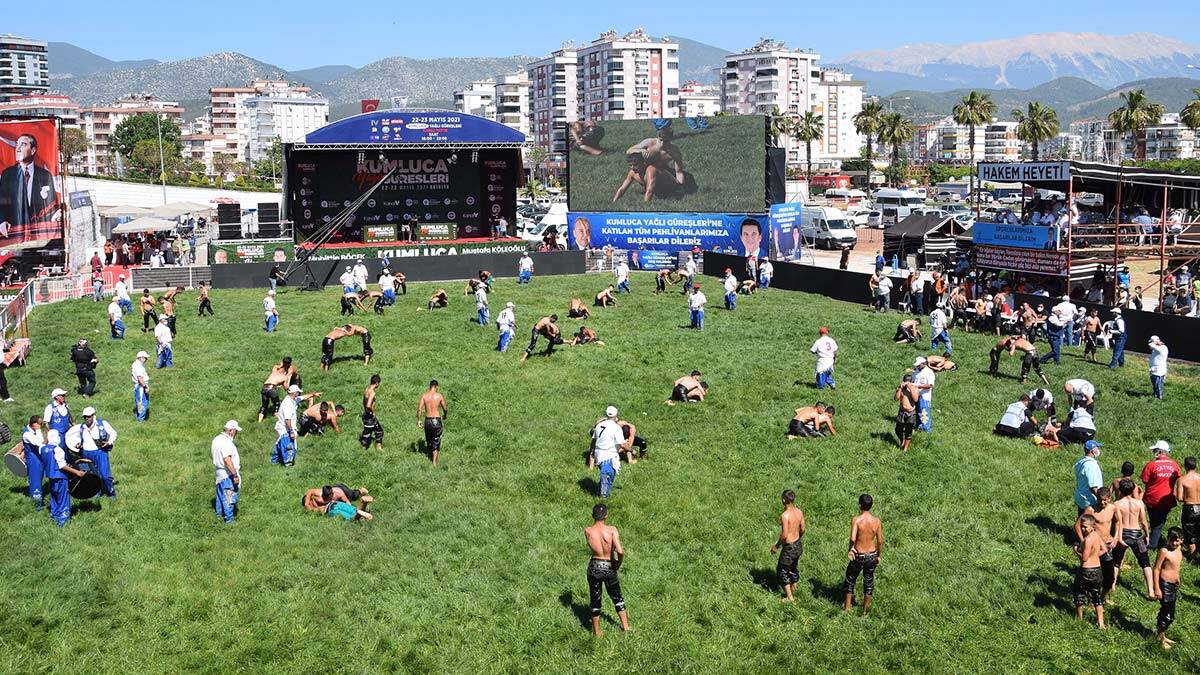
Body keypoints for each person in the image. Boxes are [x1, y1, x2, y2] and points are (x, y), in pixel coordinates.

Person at [0, 133, 58, 243]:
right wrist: (1, 221)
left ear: (33, 150)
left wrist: (55, 215)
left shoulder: (45, 175)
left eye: (23, 144)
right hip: (13, 235)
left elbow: (52, 204)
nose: (17, 148)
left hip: (40, 237)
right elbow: (1, 202)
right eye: (17, 145)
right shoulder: (7, 174)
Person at [583, 503, 629, 636]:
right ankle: (626, 627)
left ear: (593, 516)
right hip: (609, 566)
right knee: (617, 597)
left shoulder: (587, 531)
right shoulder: (612, 530)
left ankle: (597, 632)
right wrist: (617, 564)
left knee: (595, 599)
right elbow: (620, 551)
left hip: (594, 566)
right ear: (606, 516)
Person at [1111, 478, 1155, 598]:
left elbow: (1118, 522)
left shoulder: (1117, 504)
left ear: (1120, 490)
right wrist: (1147, 535)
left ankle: (1112, 585)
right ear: (1132, 490)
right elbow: (1144, 522)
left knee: (1116, 562)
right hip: (1136, 534)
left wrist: (1117, 538)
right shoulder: (1139, 503)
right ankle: (1150, 591)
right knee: (1145, 563)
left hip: (1123, 533)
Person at [1075, 487, 1118, 603]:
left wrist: (1116, 537)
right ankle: (1091, 600)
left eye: (1105, 500)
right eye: (1099, 499)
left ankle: (1102, 597)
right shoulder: (1090, 510)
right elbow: (1077, 525)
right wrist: (1084, 541)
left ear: (1109, 498)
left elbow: (1118, 521)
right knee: (1092, 577)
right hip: (1094, 547)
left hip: (1107, 545)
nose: (1102, 502)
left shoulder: (1113, 508)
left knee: (1109, 578)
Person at [64, 406, 118, 499]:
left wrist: (109, 442)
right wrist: (78, 445)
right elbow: (75, 439)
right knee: (91, 475)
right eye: (85, 417)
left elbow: (113, 433)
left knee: (105, 475)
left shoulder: (102, 423)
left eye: (89, 416)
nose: (87, 418)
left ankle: (111, 492)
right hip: (86, 454)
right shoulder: (81, 427)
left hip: (100, 452)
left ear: (93, 415)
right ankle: (96, 491)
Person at [844, 494, 884, 615]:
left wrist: (851, 549)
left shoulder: (856, 520)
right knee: (868, 582)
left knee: (850, 579)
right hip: (871, 555)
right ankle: (865, 612)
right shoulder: (876, 521)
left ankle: (847, 608)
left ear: (860, 505)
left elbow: (852, 538)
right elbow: (880, 541)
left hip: (859, 555)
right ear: (871, 506)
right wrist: (878, 555)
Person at [1141, 440, 1181, 550]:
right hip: (1168, 499)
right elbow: (1178, 478)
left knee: (1156, 523)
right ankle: (1155, 538)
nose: (1153, 452)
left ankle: (1152, 545)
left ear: (1159, 451)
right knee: (1159, 522)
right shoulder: (1174, 465)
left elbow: (1145, 480)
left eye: (1154, 450)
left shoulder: (1151, 465)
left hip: (1152, 499)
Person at [42, 430, 85, 527]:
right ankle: (63, 520)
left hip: (51, 476)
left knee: (54, 497)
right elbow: (62, 466)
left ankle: (54, 516)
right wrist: (77, 472)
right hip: (60, 477)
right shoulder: (58, 450)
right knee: (63, 498)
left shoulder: (43, 449)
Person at [770, 489, 807, 602]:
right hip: (798, 544)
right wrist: (797, 537)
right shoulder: (799, 512)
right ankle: (794, 588)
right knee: (793, 567)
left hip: (789, 547)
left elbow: (784, 534)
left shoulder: (785, 515)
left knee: (782, 570)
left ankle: (790, 597)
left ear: (783, 500)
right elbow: (803, 528)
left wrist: (776, 546)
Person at [1073, 514, 1106, 629]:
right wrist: (1095, 555)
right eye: (1082, 526)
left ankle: (1079, 618)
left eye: (1085, 527)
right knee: (1097, 595)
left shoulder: (1087, 540)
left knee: (1079, 593)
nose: (1082, 529)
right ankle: (1101, 623)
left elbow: (1084, 558)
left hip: (1086, 570)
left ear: (1093, 527)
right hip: (1097, 569)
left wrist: (1076, 551)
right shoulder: (1097, 535)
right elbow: (1104, 549)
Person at [1153, 528, 1183, 649]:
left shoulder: (1179, 549)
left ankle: (1162, 636)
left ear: (1182, 540)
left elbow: (1177, 566)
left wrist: (1178, 578)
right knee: (1166, 613)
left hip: (1173, 585)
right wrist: (1156, 588)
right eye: (1172, 540)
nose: (1174, 543)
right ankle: (1159, 638)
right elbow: (1156, 569)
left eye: (1177, 541)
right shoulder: (1164, 551)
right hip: (1164, 584)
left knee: (1171, 613)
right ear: (1168, 539)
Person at [273, 385, 317, 466]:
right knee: (289, 448)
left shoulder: (292, 399)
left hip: (284, 428)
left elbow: (302, 397)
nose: (299, 393)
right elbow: (287, 420)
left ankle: (274, 461)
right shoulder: (288, 405)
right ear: (295, 393)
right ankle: (288, 465)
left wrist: (313, 394)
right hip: (285, 429)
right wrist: (291, 432)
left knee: (280, 445)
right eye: (298, 392)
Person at [212, 420, 242, 524]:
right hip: (227, 475)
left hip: (219, 474)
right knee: (229, 499)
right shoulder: (226, 442)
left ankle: (218, 516)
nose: (236, 433)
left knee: (220, 496)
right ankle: (229, 521)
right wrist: (234, 474)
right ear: (230, 431)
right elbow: (227, 460)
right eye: (235, 431)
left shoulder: (216, 439)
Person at [592, 406, 624, 498]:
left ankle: (601, 490)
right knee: (607, 474)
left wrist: (593, 452)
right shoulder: (616, 427)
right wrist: (630, 449)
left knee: (609, 474)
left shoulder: (599, 425)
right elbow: (622, 443)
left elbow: (594, 440)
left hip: (599, 453)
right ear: (616, 415)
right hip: (608, 454)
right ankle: (603, 497)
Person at [304, 484, 375, 522]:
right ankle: (362, 506)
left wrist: (307, 504)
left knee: (352, 518)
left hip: (332, 508)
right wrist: (351, 508)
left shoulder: (313, 506)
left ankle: (361, 494)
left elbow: (346, 500)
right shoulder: (317, 497)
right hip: (337, 503)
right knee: (354, 511)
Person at [417, 380, 447, 465]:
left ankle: (430, 456)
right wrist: (445, 415)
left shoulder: (424, 396)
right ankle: (434, 463)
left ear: (429, 386)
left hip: (427, 421)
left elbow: (419, 409)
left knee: (429, 440)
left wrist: (419, 420)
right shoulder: (439, 396)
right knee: (436, 440)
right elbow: (445, 408)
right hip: (436, 420)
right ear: (436, 386)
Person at [1176, 456, 1200, 561]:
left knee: (1190, 533)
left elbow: (1180, 498)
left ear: (1185, 466)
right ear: (1196, 465)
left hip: (1190, 508)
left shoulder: (1182, 480)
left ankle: (1193, 557)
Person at [21, 415, 45, 510]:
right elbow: (40, 443)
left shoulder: (32, 430)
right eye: (39, 424)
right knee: (35, 481)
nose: (41, 426)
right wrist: (39, 431)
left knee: (39, 479)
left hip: (37, 457)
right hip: (33, 459)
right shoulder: (27, 434)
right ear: (34, 424)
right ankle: (37, 505)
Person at [356, 374, 385, 451]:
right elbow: (369, 405)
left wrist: (366, 409)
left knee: (367, 431)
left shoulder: (367, 389)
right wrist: (372, 411)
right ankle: (378, 446)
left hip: (365, 414)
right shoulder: (372, 392)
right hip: (369, 415)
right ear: (377, 383)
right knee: (379, 431)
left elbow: (364, 401)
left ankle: (363, 448)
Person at [894, 374, 920, 451]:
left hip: (911, 413)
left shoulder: (915, 388)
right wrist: (899, 389)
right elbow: (896, 398)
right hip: (902, 412)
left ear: (912, 382)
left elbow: (915, 399)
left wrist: (910, 388)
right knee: (898, 429)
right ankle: (902, 441)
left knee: (908, 431)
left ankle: (905, 449)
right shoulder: (901, 388)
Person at [912, 357, 936, 433]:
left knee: (924, 413)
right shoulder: (916, 371)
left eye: (919, 365)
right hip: (916, 395)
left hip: (924, 396)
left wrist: (917, 386)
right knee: (917, 411)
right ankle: (919, 427)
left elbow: (930, 385)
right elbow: (913, 380)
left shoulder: (929, 372)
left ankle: (927, 430)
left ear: (924, 364)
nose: (917, 366)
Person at [130, 351, 150, 421]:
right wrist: (145, 387)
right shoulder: (138, 366)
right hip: (141, 386)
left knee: (139, 401)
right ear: (141, 357)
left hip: (139, 386)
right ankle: (141, 420)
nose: (146, 360)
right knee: (143, 403)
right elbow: (140, 378)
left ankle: (138, 417)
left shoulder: (135, 364)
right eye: (145, 358)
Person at [1148, 335, 1168, 400]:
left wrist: (1155, 342)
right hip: (1153, 370)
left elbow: (1151, 345)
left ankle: (1160, 398)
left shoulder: (1163, 348)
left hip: (1159, 371)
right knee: (1154, 384)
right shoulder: (1155, 348)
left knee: (1158, 384)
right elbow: (1151, 345)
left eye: (1152, 341)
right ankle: (1155, 395)